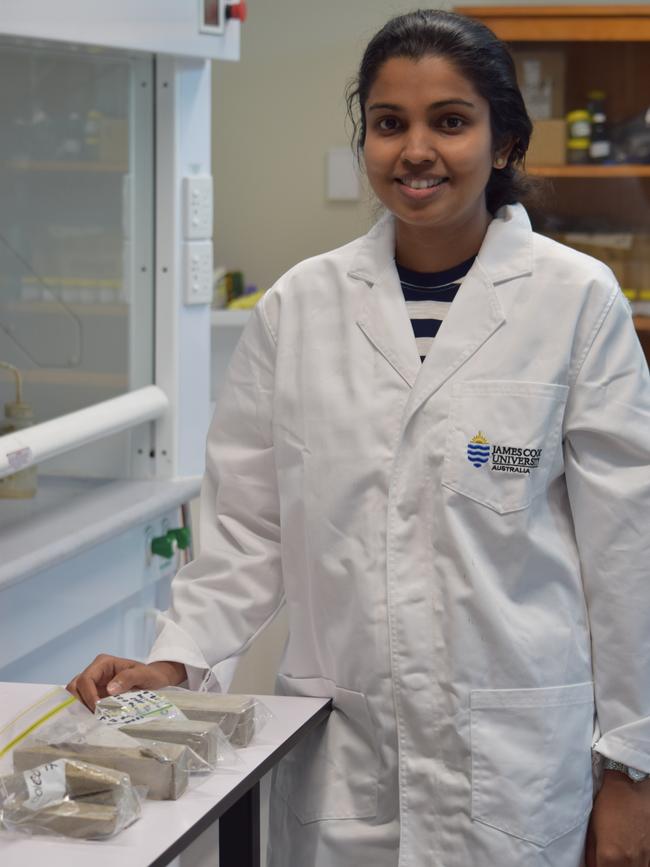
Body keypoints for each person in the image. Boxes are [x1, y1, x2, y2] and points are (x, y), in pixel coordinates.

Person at [68, 10, 650, 867]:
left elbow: (625, 554)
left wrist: (631, 767)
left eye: (449, 121)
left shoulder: (576, 301)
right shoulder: (300, 308)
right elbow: (245, 530)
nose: (416, 150)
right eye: (390, 124)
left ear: (503, 142)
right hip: (344, 758)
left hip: (516, 762)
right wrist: (176, 660)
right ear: (365, 140)